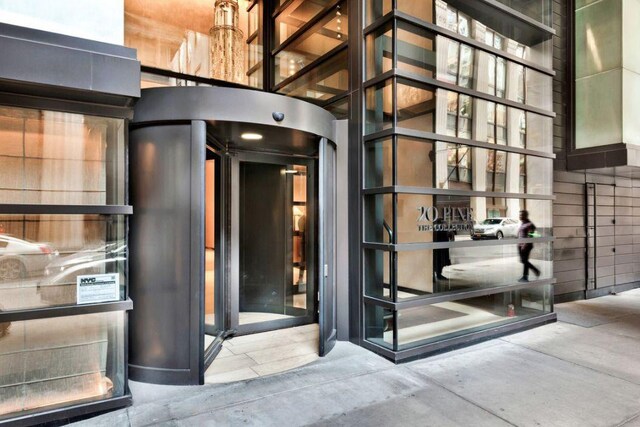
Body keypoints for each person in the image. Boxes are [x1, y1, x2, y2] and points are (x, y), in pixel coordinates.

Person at [518, 210, 540, 282]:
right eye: (520, 215)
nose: (520, 216)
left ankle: (535, 271)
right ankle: (525, 276)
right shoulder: (523, 223)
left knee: (524, 261)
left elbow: (531, 235)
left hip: (526, 246)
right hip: (520, 245)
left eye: (521, 215)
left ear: (525, 216)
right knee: (524, 261)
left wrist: (525, 245)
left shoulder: (529, 224)